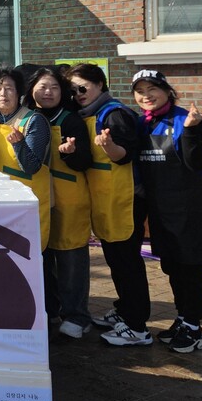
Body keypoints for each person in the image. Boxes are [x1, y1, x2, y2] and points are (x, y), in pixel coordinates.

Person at [131, 69, 202, 354]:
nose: (146, 96)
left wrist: (192, 129)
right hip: (161, 209)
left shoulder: (189, 119)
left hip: (190, 208)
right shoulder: (142, 124)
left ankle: (194, 328)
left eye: (152, 89)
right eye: (140, 91)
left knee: (191, 267)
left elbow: (196, 162)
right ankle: (183, 318)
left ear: (167, 91)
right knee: (171, 266)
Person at [67, 62, 149, 347]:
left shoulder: (114, 114)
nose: (78, 94)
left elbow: (125, 155)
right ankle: (124, 310)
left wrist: (108, 146)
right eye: (73, 90)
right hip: (108, 201)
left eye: (83, 88)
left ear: (100, 84)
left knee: (128, 263)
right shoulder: (90, 114)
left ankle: (137, 327)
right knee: (116, 261)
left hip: (126, 200)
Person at [25, 67, 94, 339]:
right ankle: (50, 310)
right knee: (42, 258)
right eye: (42, 87)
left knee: (70, 259)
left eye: (54, 87)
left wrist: (71, 153)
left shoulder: (70, 120)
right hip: (39, 198)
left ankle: (77, 316)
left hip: (68, 199)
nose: (48, 92)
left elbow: (85, 161)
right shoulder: (27, 118)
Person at [0, 67, 52, 251]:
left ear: (19, 93)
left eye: (9, 88)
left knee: (30, 253)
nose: (3, 93)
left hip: (28, 199)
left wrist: (19, 143)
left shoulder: (33, 120)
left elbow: (32, 166)